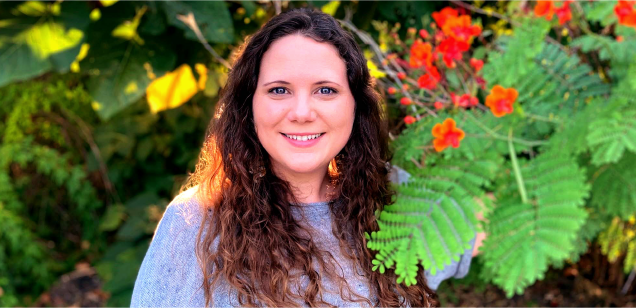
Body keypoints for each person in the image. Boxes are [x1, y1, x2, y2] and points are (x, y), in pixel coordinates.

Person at [131, 7, 476, 308]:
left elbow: (477, 229)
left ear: (355, 105)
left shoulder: (396, 194)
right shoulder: (195, 223)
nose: (301, 112)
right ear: (249, 104)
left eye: (325, 90)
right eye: (279, 90)